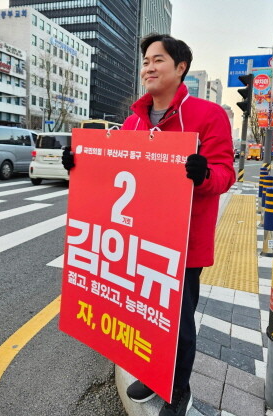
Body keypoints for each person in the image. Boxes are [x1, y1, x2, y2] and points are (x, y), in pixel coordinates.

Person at [63, 33, 235, 416]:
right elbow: (114, 173)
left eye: (158, 60)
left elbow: (225, 173)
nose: (149, 67)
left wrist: (203, 174)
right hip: (138, 239)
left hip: (183, 244)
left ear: (180, 68)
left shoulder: (209, 115)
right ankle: (153, 374)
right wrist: (80, 165)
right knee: (142, 313)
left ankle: (178, 391)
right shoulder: (133, 122)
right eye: (145, 61)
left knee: (178, 323)